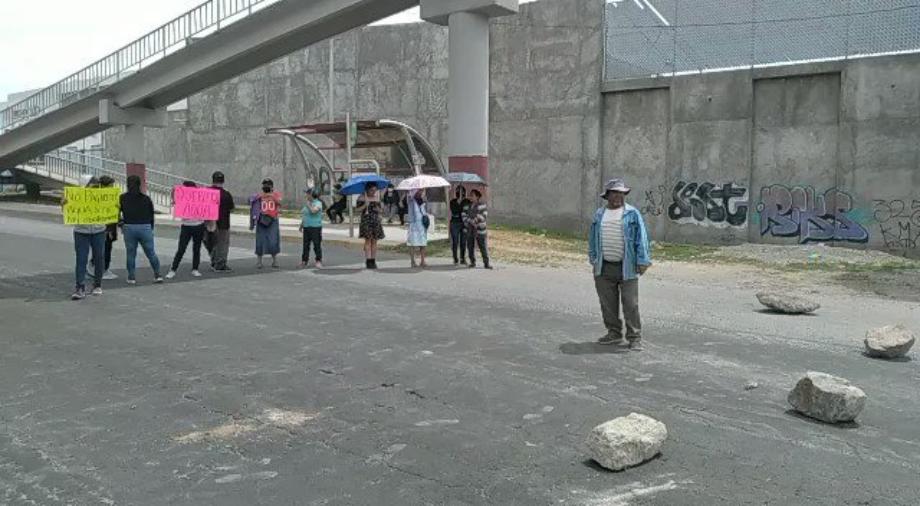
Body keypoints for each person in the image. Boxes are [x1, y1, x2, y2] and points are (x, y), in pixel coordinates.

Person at [588, 178, 652, 351]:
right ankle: (614, 333)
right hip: (604, 266)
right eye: (614, 193)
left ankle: (635, 337)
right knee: (607, 304)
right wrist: (593, 259)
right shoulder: (599, 215)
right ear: (607, 195)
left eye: (621, 193)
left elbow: (642, 238)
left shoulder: (632, 214)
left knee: (630, 304)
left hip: (627, 267)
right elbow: (593, 239)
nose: (618, 196)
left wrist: (643, 261)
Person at [66, 175, 106, 299]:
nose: (94, 188)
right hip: (81, 231)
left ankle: (97, 285)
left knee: (99, 257)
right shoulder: (76, 197)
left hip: (99, 230)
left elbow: (109, 210)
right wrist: (64, 204)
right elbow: (68, 210)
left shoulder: (101, 197)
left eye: (96, 185)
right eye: (91, 185)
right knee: (81, 259)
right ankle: (80, 287)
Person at [120, 174, 164, 285]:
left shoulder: (122, 198)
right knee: (151, 252)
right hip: (145, 227)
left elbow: (118, 213)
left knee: (131, 254)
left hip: (129, 227)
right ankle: (157, 274)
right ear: (139, 184)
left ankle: (131, 277)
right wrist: (151, 227)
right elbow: (151, 214)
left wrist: (120, 223)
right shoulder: (146, 198)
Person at [166, 181, 206, 279]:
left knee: (196, 249)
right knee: (181, 249)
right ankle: (173, 269)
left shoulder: (199, 197)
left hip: (198, 225)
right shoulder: (182, 198)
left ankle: (195, 269)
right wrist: (177, 189)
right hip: (186, 226)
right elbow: (173, 195)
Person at [90, 175, 119, 280]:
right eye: (111, 185)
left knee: (105, 248)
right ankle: (102, 269)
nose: (112, 187)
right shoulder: (100, 198)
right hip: (105, 228)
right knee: (105, 249)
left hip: (110, 226)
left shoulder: (110, 196)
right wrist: (108, 229)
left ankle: (101, 268)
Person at [250, 178, 282, 269]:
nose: (266, 187)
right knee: (260, 241)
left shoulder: (276, 194)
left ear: (272, 187)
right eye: (264, 185)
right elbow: (250, 200)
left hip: (273, 219)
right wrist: (259, 196)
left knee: (273, 240)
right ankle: (259, 261)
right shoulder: (259, 195)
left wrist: (271, 195)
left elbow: (280, 202)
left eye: (268, 185)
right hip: (261, 219)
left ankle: (275, 260)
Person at [209, 171, 235, 273]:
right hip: (223, 223)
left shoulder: (207, 193)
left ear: (213, 180)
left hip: (209, 223)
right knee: (223, 244)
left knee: (212, 243)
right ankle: (220, 264)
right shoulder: (227, 194)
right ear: (223, 181)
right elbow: (232, 209)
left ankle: (214, 261)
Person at [356, 182, 385, 269]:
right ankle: (368, 261)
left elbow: (380, 211)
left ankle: (373, 260)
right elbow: (357, 210)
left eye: (375, 190)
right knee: (368, 240)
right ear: (367, 189)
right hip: (366, 221)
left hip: (375, 221)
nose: (373, 192)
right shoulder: (361, 197)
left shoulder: (376, 198)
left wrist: (379, 209)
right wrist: (365, 205)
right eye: (372, 190)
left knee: (375, 241)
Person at [465, 189, 491, 270]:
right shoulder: (469, 206)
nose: (470, 197)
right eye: (470, 195)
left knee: (482, 246)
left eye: (472, 195)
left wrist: (475, 220)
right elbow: (465, 216)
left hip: (480, 229)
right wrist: (470, 221)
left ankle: (486, 263)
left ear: (477, 196)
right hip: (470, 229)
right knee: (470, 246)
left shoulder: (482, 205)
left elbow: (483, 215)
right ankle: (472, 262)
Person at [300, 189, 324, 268]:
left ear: (312, 195)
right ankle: (304, 261)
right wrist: (301, 225)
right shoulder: (307, 203)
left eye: (307, 194)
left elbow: (313, 211)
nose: (306, 196)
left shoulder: (318, 203)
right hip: (307, 227)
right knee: (305, 245)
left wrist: (308, 205)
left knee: (316, 245)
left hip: (315, 227)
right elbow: (305, 215)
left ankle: (318, 260)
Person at [406, 189, 429, 268]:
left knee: (423, 242)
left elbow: (424, 211)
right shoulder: (411, 200)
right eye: (419, 191)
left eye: (422, 191)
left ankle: (422, 260)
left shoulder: (422, 200)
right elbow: (408, 198)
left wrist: (425, 201)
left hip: (422, 224)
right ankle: (412, 261)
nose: (421, 192)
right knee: (412, 243)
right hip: (413, 223)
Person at [449, 186, 471, 265]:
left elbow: (467, 212)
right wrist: (460, 203)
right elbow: (454, 212)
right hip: (454, 224)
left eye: (462, 192)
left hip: (464, 224)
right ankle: (455, 258)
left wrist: (462, 204)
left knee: (463, 242)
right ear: (456, 193)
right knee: (455, 242)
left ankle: (462, 258)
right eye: (458, 192)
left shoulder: (468, 201)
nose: (460, 193)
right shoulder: (452, 201)